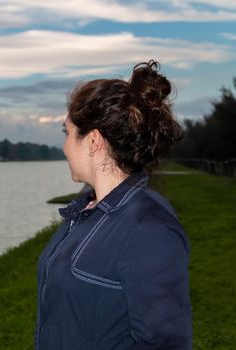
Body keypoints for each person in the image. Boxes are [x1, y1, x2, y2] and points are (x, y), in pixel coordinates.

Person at [35, 60, 192, 349]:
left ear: (93, 141)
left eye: (67, 133)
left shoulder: (149, 229)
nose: (64, 146)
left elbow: (164, 342)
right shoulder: (84, 213)